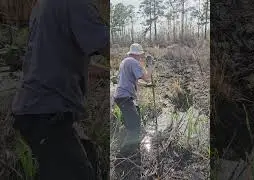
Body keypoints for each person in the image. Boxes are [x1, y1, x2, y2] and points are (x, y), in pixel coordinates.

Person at [11, 0, 108, 179]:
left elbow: (59, 56)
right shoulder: (75, 4)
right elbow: (107, 45)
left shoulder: (44, 5)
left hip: (37, 109)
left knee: (88, 155)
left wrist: (110, 73)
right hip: (46, 112)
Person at [113, 43, 154, 156]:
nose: (141, 57)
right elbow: (146, 78)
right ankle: (124, 155)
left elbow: (133, 80)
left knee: (135, 117)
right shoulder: (133, 62)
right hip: (125, 97)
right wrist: (150, 66)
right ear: (136, 54)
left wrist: (147, 86)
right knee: (135, 126)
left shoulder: (125, 61)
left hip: (121, 96)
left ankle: (131, 144)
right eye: (140, 55)